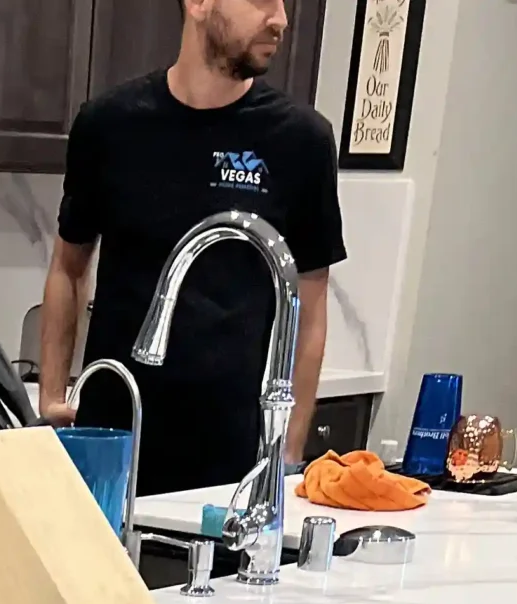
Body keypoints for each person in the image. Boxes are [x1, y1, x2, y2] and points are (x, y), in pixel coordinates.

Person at [41, 0, 346, 495]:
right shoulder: (110, 124)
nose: (281, 19)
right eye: (261, 0)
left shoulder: (301, 141)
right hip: (113, 437)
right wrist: (53, 393)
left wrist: (286, 455)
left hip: (229, 453)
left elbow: (309, 307)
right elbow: (68, 266)